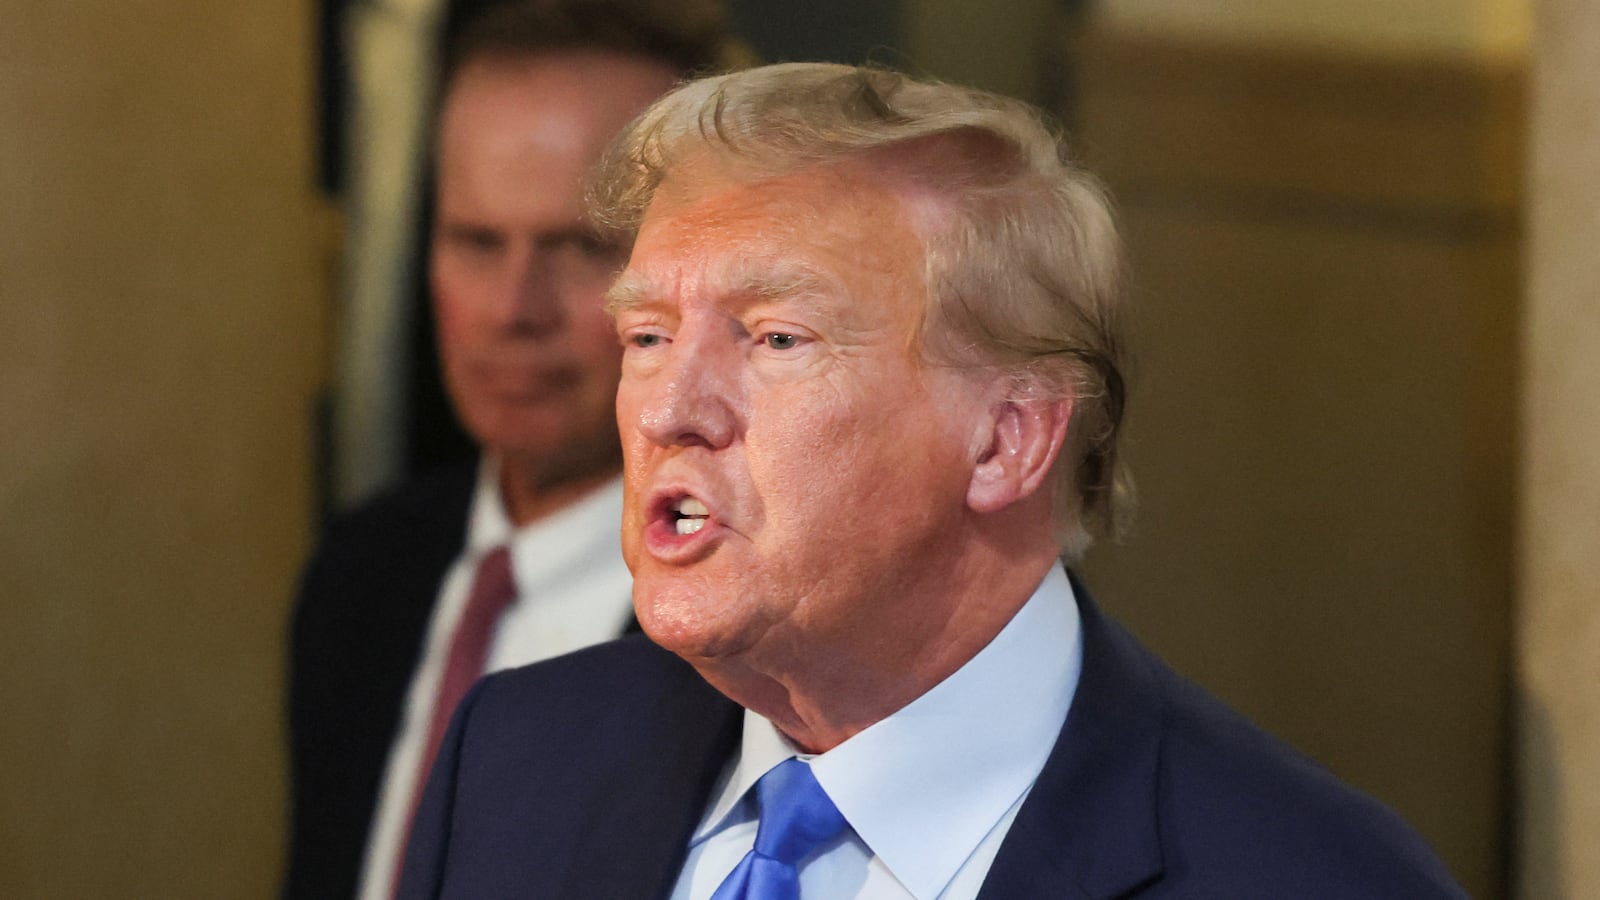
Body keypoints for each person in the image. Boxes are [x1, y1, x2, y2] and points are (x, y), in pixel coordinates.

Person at [396, 62, 1467, 899]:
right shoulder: (518, 758)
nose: (670, 408)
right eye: (647, 336)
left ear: (1007, 439)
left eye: (775, 338)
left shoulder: (1302, 876)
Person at [283, 3, 736, 898]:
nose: (512, 308)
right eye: (476, 241)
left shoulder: (746, 651)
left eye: (580, 248)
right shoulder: (361, 575)